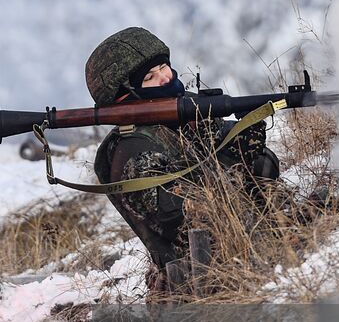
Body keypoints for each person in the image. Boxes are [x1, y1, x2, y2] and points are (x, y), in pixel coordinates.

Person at [86, 27, 280, 269]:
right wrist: (231, 160)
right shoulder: (133, 150)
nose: (165, 78)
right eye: (149, 77)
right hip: (204, 275)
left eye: (163, 67)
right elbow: (186, 218)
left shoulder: (185, 114)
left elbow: (256, 167)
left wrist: (246, 140)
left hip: (259, 241)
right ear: (126, 97)